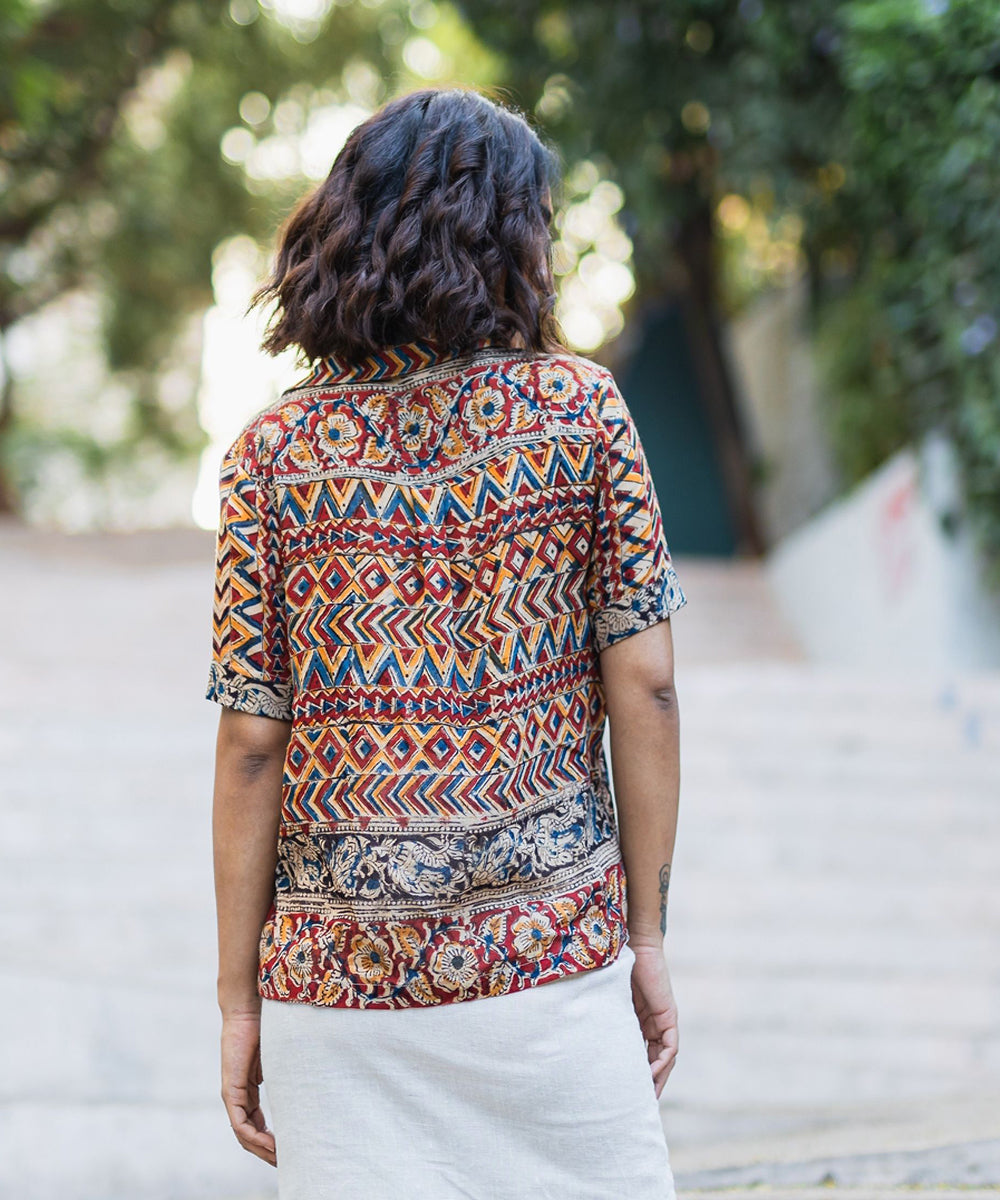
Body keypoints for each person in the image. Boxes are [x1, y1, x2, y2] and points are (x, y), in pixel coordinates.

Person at [206, 84, 687, 1200]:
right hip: (550, 974)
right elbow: (648, 688)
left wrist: (240, 1003)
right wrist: (646, 936)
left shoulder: (269, 458)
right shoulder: (582, 413)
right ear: (520, 238)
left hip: (338, 996)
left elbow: (248, 744)